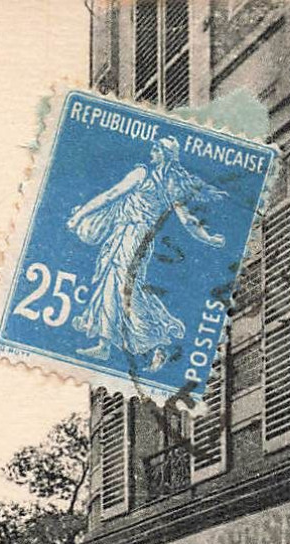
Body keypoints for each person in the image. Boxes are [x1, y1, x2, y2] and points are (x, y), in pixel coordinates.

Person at [66, 136, 227, 371]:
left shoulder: (141, 174)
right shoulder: (169, 185)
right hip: (132, 236)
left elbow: (110, 195)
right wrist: (209, 238)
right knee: (112, 283)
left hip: (132, 235)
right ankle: (105, 344)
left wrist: (79, 216)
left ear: (164, 153)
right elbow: (189, 221)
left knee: (124, 287)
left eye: (157, 149)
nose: (152, 151)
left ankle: (157, 341)